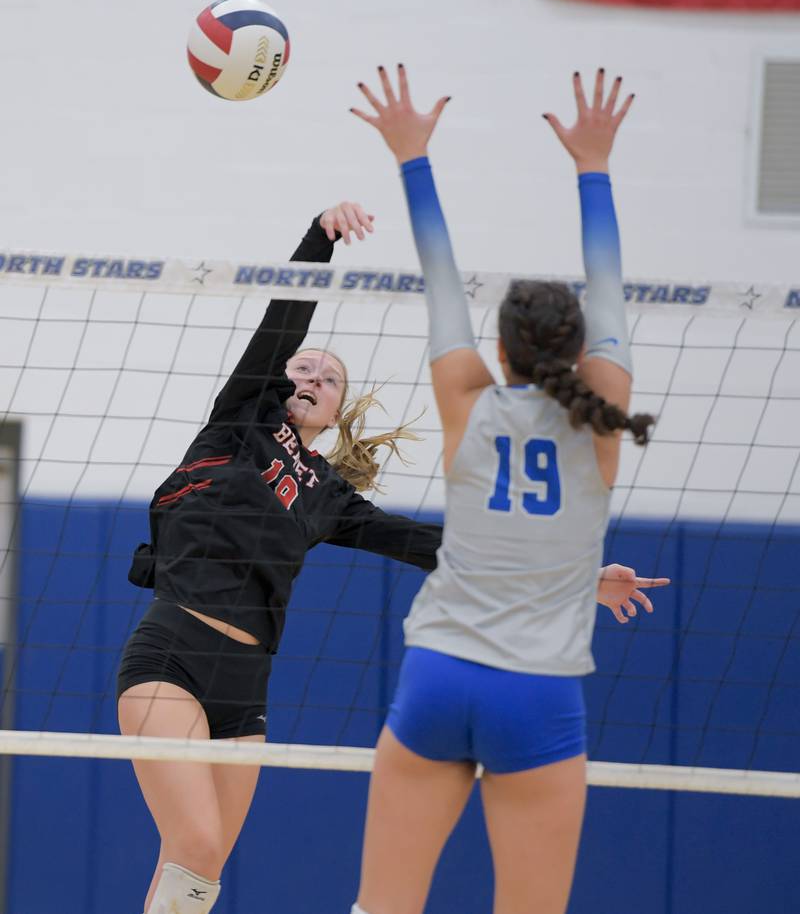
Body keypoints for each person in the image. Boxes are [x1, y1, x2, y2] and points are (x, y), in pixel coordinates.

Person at [348, 65, 667, 914]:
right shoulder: (604, 416)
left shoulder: (466, 400)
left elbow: (439, 270)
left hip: (440, 676)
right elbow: (611, 281)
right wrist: (593, 166)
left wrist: (412, 155)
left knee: (383, 908)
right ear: (580, 348)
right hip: (537, 694)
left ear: (502, 346)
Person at [117, 201, 444, 914]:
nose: (311, 378)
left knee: (196, 871)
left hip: (247, 688)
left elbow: (434, 549)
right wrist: (319, 237)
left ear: (336, 413)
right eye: (303, 368)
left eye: (328, 380)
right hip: (172, 653)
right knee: (197, 842)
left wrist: (572, 580)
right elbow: (282, 321)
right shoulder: (240, 421)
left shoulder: (328, 495)